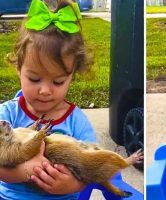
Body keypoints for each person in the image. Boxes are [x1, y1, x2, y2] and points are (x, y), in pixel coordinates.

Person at [0, 0, 96, 199]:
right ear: (18, 69)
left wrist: (73, 184)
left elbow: (92, 166)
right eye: (34, 79)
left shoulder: (76, 121)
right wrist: (26, 170)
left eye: (58, 81)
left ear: (72, 76)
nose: (45, 91)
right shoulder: (7, 115)